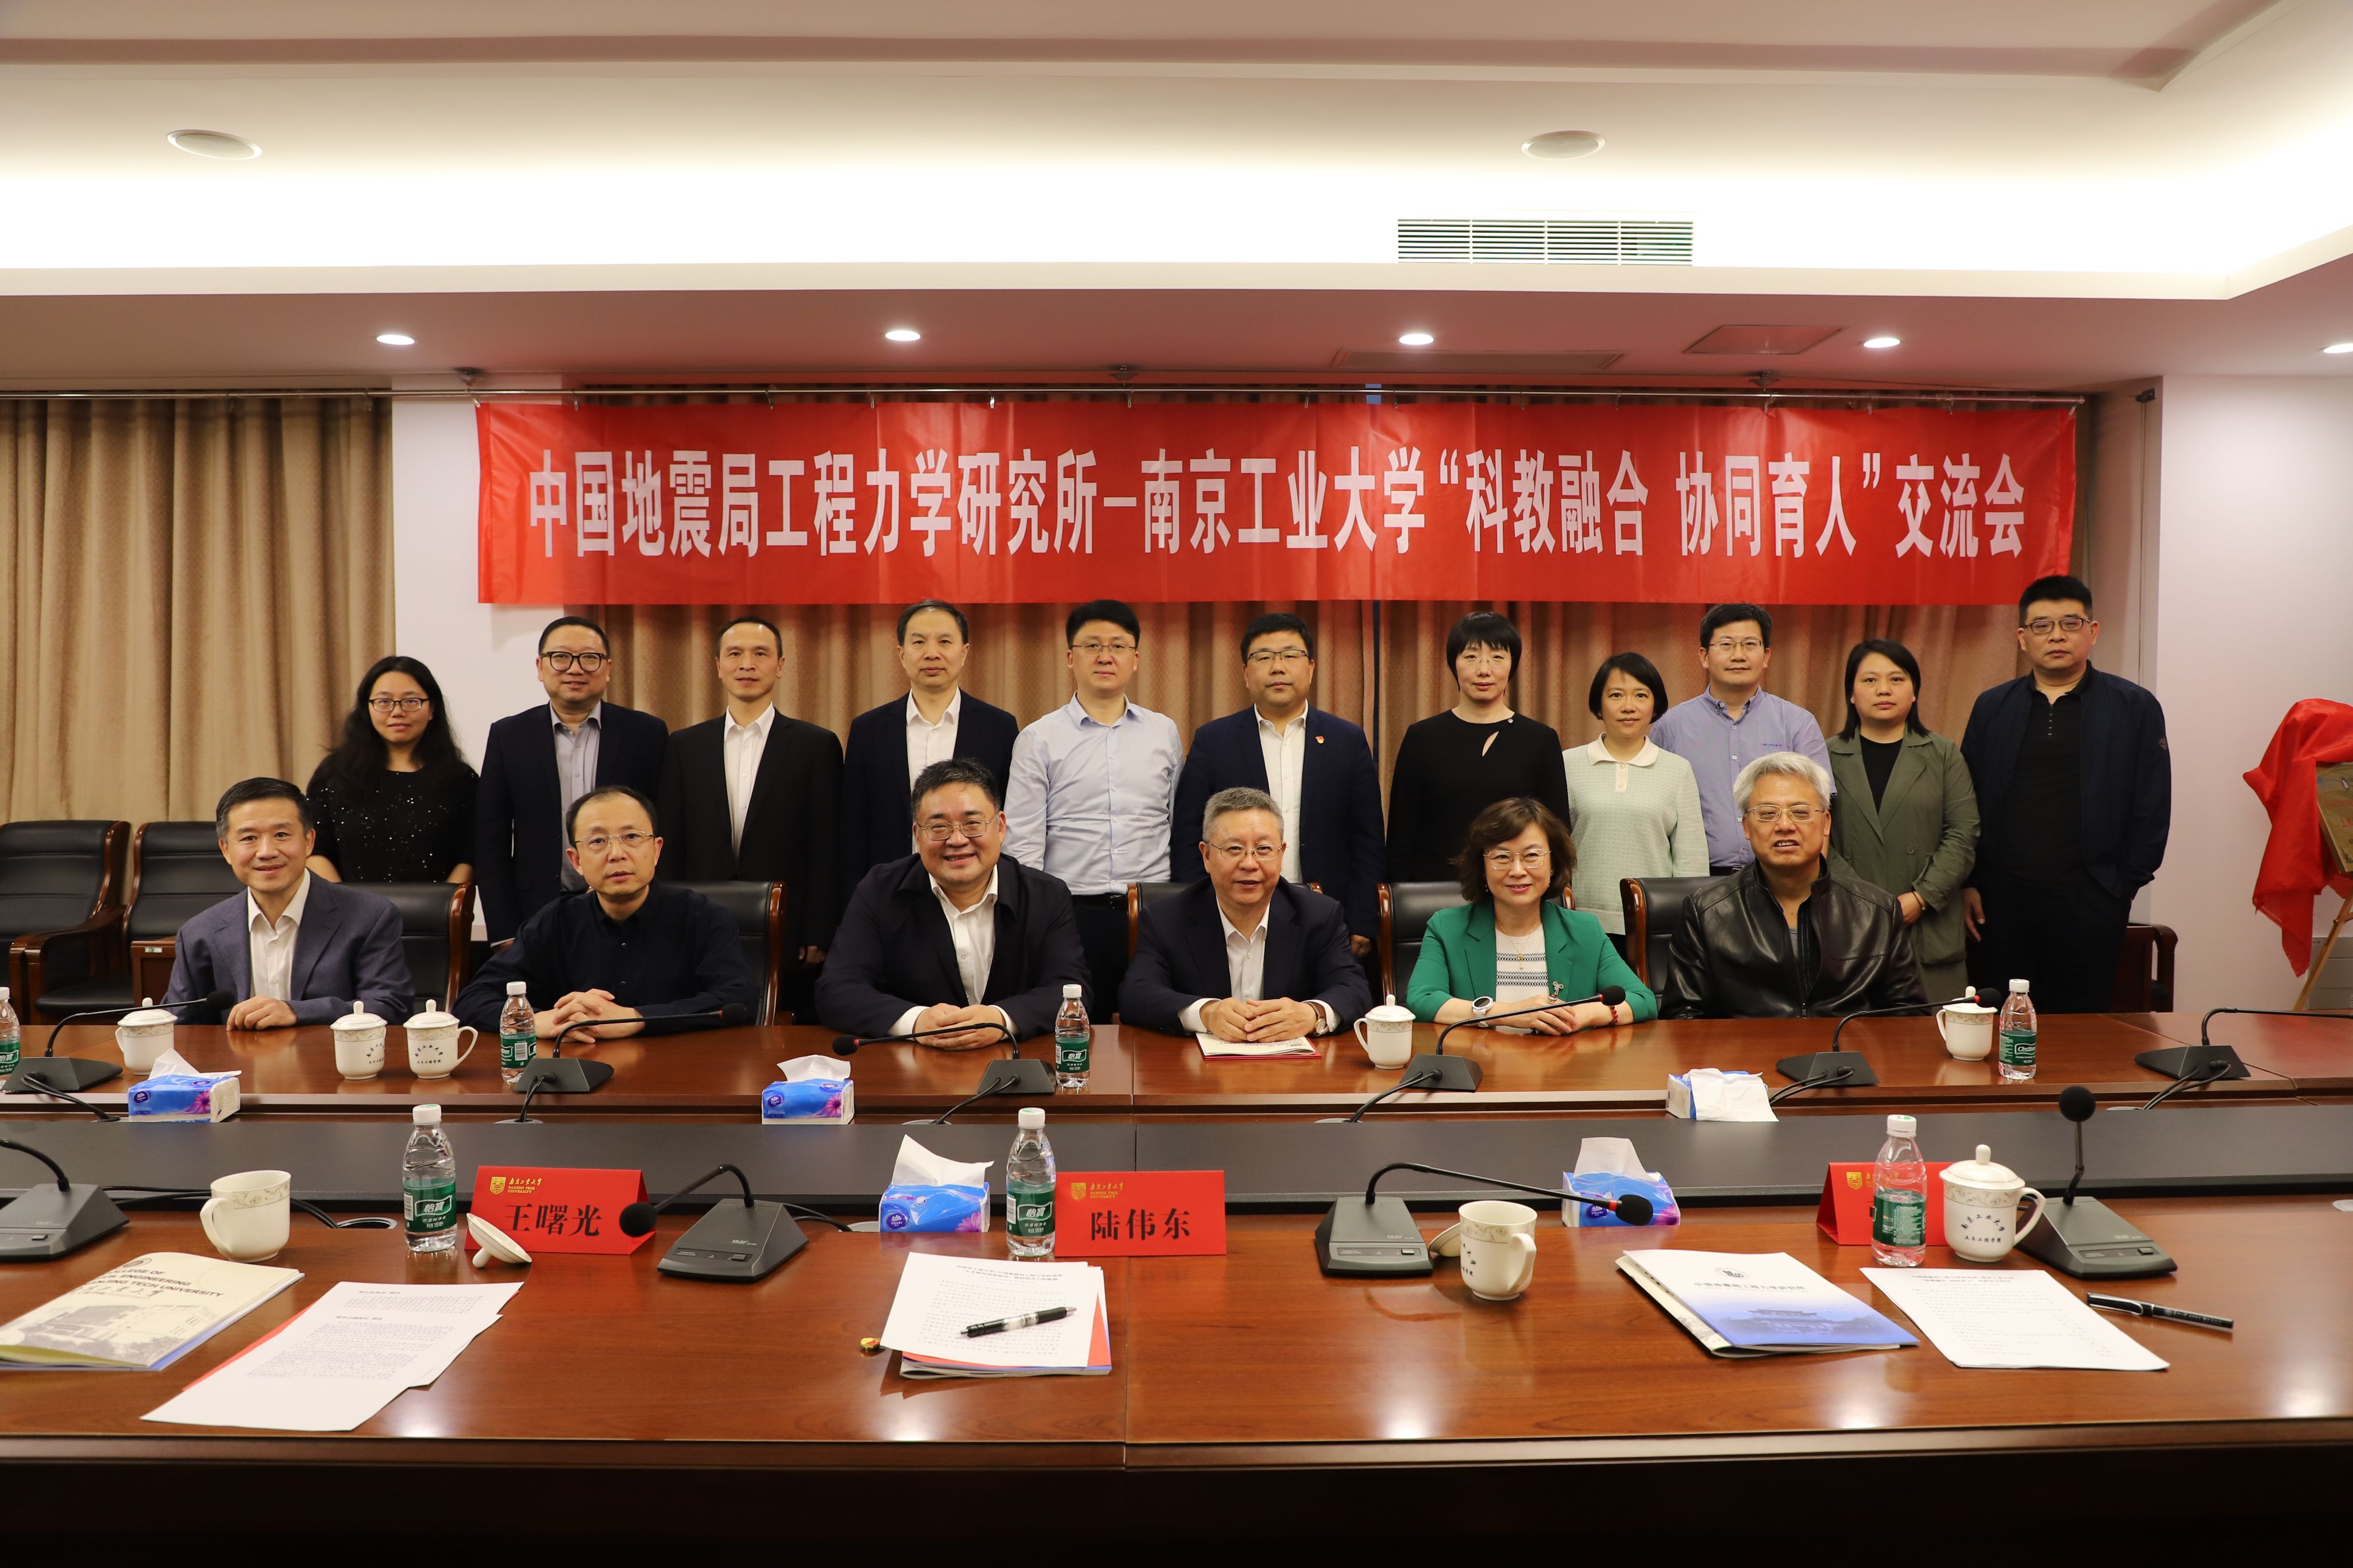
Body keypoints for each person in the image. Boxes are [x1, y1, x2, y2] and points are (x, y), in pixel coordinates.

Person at [1959, 574, 2170, 1014]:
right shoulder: (1991, 707)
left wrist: (2123, 885)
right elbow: (1968, 800)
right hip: (2005, 902)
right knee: (2005, 1022)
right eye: (2042, 626)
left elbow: (2152, 804)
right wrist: (1972, 881)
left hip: (2092, 900)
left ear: (2092, 632)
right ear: (2023, 638)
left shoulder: (2134, 706)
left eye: (2070, 623)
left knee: (2082, 1025)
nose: (2057, 636)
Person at [819, 758, 1091, 1046]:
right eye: (939, 827)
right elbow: (837, 989)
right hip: (912, 1064)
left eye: (973, 824)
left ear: (1000, 827)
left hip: (1016, 1063)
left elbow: (1072, 989)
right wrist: (915, 1022)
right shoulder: (880, 891)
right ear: (917, 835)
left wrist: (1001, 1020)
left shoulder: (1045, 896)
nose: (957, 840)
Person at [454, 785, 756, 1038]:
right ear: (576, 861)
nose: (617, 854)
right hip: (578, 1076)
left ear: (656, 850)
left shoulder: (702, 917)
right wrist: (534, 1022)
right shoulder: (555, 922)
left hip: (680, 1073)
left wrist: (636, 1019)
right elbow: (472, 1001)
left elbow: (739, 1000)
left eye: (632, 837)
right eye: (598, 841)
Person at [1003, 599, 1182, 1021]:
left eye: (1118, 646)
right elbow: (1023, 839)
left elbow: (1178, 823)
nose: (1105, 656)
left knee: (1155, 1026)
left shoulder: (1164, 732)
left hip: (1153, 910)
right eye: (1092, 646)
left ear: (1136, 659)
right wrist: (1033, 918)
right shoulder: (1038, 738)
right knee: (1078, 1025)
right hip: (1070, 913)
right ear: (1070, 658)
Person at [1168, 612, 1384, 957]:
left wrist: (1362, 920)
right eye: (1264, 657)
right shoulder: (1214, 741)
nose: (1277, 667)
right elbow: (1188, 838)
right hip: (1232, 918)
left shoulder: (1347, 740)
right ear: (1245, 673)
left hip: (1328, 917)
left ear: (1311, 668)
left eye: (1290, 655)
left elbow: (1367, 839)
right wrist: (1200, 914)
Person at [654, 615, 842, 1010]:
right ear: (718, 665)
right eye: (735, 654)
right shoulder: (684, 746)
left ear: (780, 665)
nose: (747, 665)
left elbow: (827, 846)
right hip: (700, 919)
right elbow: (670, 843)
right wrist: (668, 919)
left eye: (760, 654)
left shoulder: (815, 745)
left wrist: (818, 929)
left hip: (786, 923)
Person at [1661, 753, 1924, 1019]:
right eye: (1768, 814)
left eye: (1800, 812)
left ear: (1826, 823)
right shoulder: (1706, 912)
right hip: (1746, 1047)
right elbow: (1682, 1017)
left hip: (1845, 1046)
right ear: (1747, 827)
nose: (1785, 826)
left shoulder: (1877, 912)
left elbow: (1909, 1016)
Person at [1121, 787, 1372, 1039]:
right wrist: (1205, 1013)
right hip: (1197, 1062)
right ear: (1206, 856)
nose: (1249, 864)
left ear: (1281, 854)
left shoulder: (1319, 916)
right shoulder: (1166, 919)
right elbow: (1136, 994)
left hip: (1292, 1063)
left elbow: (1355, 990)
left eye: (1263, 849)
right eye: (1234, 849)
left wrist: (1312, 1014)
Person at [475, 615, 668, 941]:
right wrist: (504, 934)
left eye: (589, 658)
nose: (575, 669)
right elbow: (490, 841)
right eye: (561, 657)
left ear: (607, 668)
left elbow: (664, 828)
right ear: (540, 667)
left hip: (629, 909)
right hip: (536, 912)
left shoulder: (646, 734)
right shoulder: (509, 737)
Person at [164, 778, 414, 1027]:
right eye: (249, 838)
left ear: (309, 841)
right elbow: (180, 1024)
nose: (266, 852)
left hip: (331, 1053)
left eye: (281, 835)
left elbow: (390, 1007)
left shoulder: (369, 917)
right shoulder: (199, 932)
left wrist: (297, 1012)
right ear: (226, 850)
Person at [1405, 797, 1653, 1029]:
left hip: (1562, 1061)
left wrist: (1582, 1014)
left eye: (1532, 856)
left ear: (1553, 864)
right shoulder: (1447, 928)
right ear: (1482, 867)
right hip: (1479, 1059)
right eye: (1502, 857)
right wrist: (1510, 1013)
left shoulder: (1584, 930)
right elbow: (1422, 999)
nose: (1517, 870)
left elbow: (1641, 1000)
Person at [1825, 638, 1980, 1002]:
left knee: (1933, 1031)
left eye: (1896, 679)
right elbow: (1816, 837)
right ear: (1851, 694)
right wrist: (1863, 901)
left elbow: (1963, 833)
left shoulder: (1943, 754)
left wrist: (1922, 897)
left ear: (1914, 692)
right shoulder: (1825, 755)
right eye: (1870, 680)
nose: (1884, 690)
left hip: (1928, 922)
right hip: (1848, 919)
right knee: (1853, 1029)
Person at [840, 599, 1019, 890]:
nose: (932, 653)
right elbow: (853, 828)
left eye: (944, 642)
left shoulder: (999, 728)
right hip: (889, 890)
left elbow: (1006, 820)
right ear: (901, 654)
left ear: (964, 652)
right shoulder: (868, 730)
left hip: (973, 888)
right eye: (919, 642)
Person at [1386, 610, 1571, 884]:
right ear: (1454, 663)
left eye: (1497, 657)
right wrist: (1398, 899)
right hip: (1435, 893)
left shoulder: (1540, 740)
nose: (1484, 670)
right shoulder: (1422, 738)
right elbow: (1402, 837)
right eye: (1471, 657)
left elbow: (1556, 835)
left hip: (1516, 888)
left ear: (1512, 665)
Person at [1650, 603, 1833, 875]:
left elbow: (1819, 809)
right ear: (1704, 656)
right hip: (1697, 878)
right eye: (1726, 645)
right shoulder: (1670, 727)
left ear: (1766, 655)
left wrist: (1810, 882)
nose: (1738, 655)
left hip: (1780, 877)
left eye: (1749, 644)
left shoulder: (1798, 723)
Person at [1559, 651, 1708, 952]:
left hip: (1655, 926)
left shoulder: (1677, 770)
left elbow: (1691, 860)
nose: (1629, 706)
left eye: (1641, 695)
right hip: (1579, 922)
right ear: (1598, 704)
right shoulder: (1567, 764)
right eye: (1616, 695)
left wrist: (1686, 925)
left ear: (1655, 705)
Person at [304, 655, 477, 886]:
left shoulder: (461, 780)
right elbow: (315, 848)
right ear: (367, 709)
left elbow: (471, 855)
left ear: (432, 710)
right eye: (384, 702)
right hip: (348, 907)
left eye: (411, 701)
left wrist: (443, 902)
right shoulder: (334, 774)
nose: (397, 712)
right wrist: (345, 903)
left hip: (435, 907)